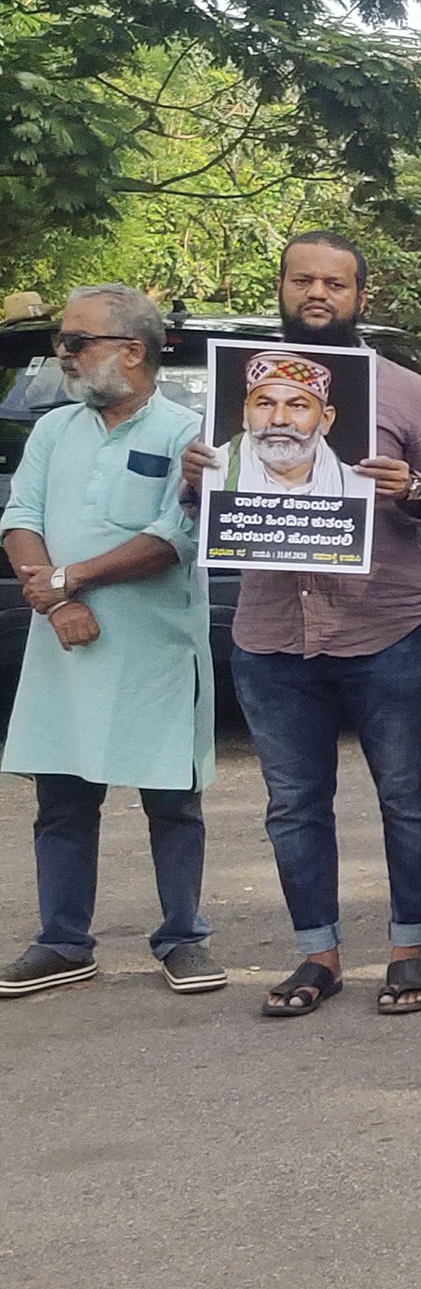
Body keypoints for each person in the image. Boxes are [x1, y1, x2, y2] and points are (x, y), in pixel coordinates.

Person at [189, 230, 421, 1019]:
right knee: (293, 805)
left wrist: (413, 488)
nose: (317, 293)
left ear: (359, 297)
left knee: (408, 796)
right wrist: (192, 483)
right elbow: (204, 511)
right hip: (271, 635)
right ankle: (317, 955)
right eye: (303, 280)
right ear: (282, 288)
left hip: (387, 630)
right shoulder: (230, 393)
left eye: (335, 284)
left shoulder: (404, 391)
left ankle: (410, 950)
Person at [0, 285, 221, 999]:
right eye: (61, 341)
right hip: (65, 643)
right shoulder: (54, 430)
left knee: (172, 801)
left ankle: (183, 938)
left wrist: (68, 579)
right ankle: (63, 941)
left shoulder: (189, 434)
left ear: (131, 351)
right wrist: (60, 602)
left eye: (75, 341)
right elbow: (19, 517)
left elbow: (173, 538)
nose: (62, 354)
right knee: (62, 799)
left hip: (158, 648)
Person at [214, 352, 375, 499]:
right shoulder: (215, 471)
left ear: (325, 419)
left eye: (297, 406)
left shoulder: (355, 485)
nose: (278, 420)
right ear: (246, 414)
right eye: (265, 404)